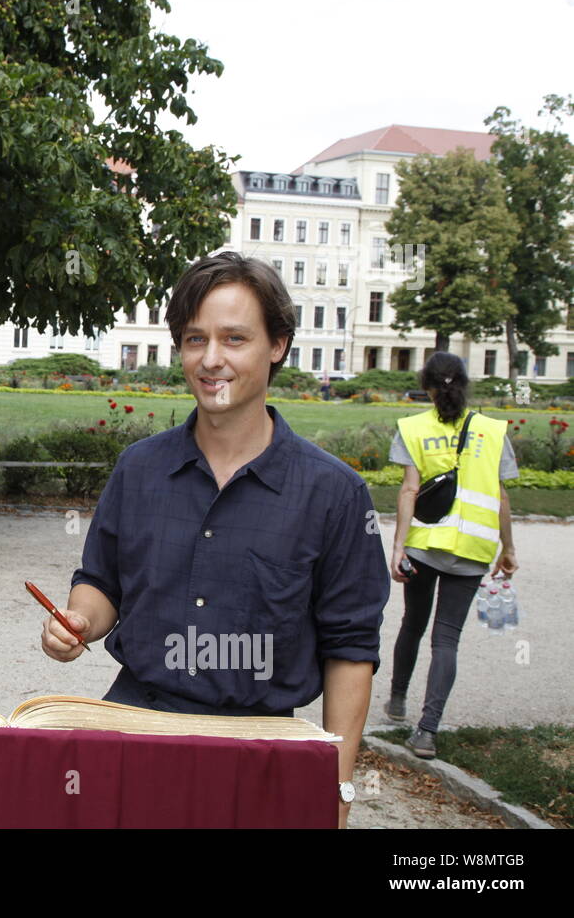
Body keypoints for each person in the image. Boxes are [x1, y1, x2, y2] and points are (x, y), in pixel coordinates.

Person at [40, 252, 388, 828]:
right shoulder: (138, 468)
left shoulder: (336, 493)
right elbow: (101, 582)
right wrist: (78, 620)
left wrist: (337, 789)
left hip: (260, 748)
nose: (212, 359)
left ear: (277, 345)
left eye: (234, 338)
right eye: (195, 339)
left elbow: (350, 651)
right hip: (135, 730)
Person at [386, 352, 518, 759]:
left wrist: (398, 546)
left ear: (426, 386)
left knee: (413, 623)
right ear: (464, 382)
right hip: (474, 550)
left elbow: (410, 490)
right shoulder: (493, 431)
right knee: (448, 639)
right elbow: (501, 495)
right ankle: (427, 732)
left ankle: (397, 701)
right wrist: (508, 548)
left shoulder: (413, 427)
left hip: (425, 547)